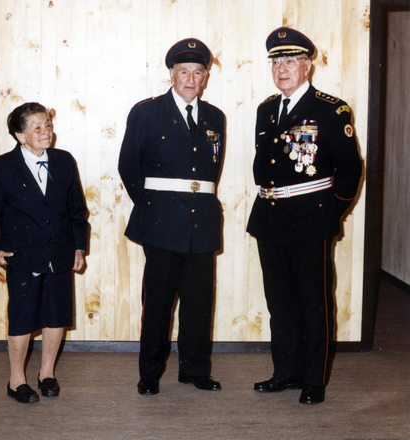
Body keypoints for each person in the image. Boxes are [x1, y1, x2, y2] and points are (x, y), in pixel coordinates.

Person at [247, 27, 362, 405]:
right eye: (276, 61)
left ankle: (314, 379)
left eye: (291, 60)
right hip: (270, 215)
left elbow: (350, 170)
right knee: (279, 302)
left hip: (311, 218)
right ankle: (286, 371)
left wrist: (332, 211)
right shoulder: (266, 109)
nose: (282, 68)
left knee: (314, 301)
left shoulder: (332, 109)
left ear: (307, 66)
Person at [119, 38, 225, 395]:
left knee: (199, 301)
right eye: (184, 71)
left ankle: (194, 369)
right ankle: (149, 373)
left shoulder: (215, 117)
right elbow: (128, 166)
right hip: (162, 222)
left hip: (203, 222)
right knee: (159, 302)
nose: (191, 79)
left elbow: (209, 172)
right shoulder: (147, 112)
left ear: (205, 76)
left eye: (198, 72)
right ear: (172, 74)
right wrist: (154, 208)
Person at [0, 102, 88, 404]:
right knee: (23, 319)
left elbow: (77, 210)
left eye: (48, 125)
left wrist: (79, 246)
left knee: (56, 317)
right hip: (23, 256)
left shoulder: (64, 162)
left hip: (60, 254)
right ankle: (16, 380)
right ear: (20, 136)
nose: (45, 132)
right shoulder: (2, 167)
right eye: (36, 127)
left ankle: (47, 373)